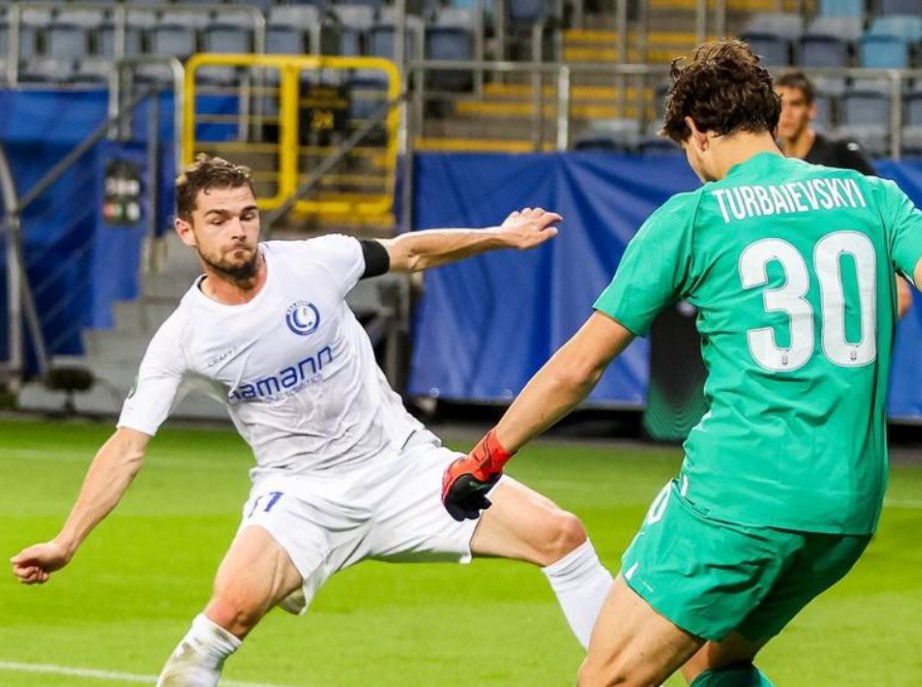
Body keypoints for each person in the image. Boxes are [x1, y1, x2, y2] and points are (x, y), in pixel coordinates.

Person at [442, 40, 922, 687]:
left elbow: (579, 367)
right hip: (846, 508)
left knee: (608, 677)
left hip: (739, 496)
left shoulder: (694, 217)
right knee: (712, 662)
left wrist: (485, 457)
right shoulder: (874, 196)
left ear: (698, 131)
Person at [10, 155, 614, 687]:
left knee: (560, 535)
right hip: (302, 497)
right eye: (218, 220)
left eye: (247, 215)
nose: (238, 230)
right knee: (226, 615)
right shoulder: (184, 338)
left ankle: (624, 672)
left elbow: (410, 251)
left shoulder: (316, 262)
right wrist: (67, 540)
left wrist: (499, 235)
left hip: (406, 469)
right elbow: (127, 447)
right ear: (186, 230)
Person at [775, 70, 913, 317]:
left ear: (811, 110)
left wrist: (897, 277)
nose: (787, 114)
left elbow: (882, 209)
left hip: (844, 280)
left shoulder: (840, 154)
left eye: (795, 104)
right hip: (792, 286)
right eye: (780, 105)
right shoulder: (771, 164)